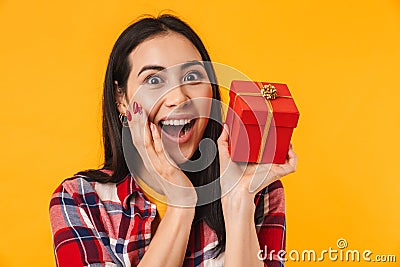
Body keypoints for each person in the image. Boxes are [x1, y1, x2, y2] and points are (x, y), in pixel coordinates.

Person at [49, 13, 297, 267]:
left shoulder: (258, 189)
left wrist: (239, 200)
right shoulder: (80, 199)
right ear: (121, 100)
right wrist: (181, 203)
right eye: (153, 80)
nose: (179, 97)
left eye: (191, 77)